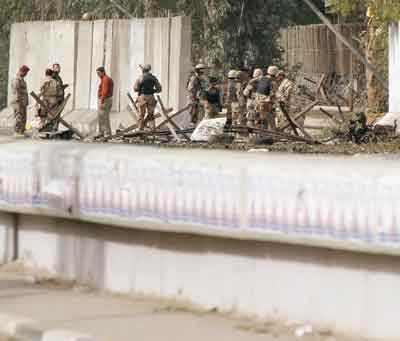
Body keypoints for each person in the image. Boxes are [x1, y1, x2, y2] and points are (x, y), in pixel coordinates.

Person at [133, 64, 162, 130]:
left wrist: (140, 89)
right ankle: (152, 128)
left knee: (141, 114)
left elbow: (135, 88)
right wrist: (152, 90)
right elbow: (159, 89)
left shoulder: (140, 77)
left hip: (142, 97)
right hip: (151, 97)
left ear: (143, 70)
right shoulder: (153, 78)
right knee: (151, 114)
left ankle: (140, 129)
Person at [10, 65, 30, 136]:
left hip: (23, 102)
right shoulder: (16, 79)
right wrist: (19, 101)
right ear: (22, 71)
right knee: (18, 116)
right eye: (25, 73)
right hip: (18, 102)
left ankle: (22, 131)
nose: (26, 74)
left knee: (23, 116)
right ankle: (17, 131)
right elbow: (16, 91)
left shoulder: (21, 79)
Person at [96, 66, 114, 138]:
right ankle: (102, 132)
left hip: (105, 100)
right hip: (106, 99)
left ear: (103, 72)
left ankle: (107, 133)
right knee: (101, 117)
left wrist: (102, 101)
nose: (98, 75)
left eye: (98, 73)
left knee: (104, 117)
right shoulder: (104, 79)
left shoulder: (106, 79)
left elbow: (105, 91)